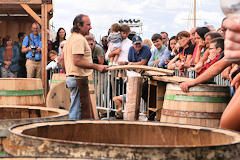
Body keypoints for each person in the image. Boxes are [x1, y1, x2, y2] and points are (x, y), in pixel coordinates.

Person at [63, 14, 108, 120]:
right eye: (88, 25)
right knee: (77, 110)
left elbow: (62, 59)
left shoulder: (70, 38)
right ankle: (73, 134)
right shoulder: (78, 39)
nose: (90, 27)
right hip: (78, 78)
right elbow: (77, 60)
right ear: (79, 25)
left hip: (72, 77)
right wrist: (97, 66)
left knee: (77, 108)